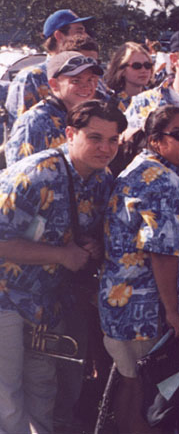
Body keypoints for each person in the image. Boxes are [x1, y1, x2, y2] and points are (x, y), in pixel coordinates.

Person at [0, 100, 122, 434]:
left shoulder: (101, 179)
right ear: (70, 133)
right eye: (95, 137)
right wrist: (60, 255)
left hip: (47, 303)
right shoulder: (32, 176)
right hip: (5, 300)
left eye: (113, 140)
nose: (105, 148)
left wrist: (92, 246)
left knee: (45, 394)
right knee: (6, 399)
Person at [99, 105, 179, 434]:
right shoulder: (164, 183)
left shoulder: (141, 169)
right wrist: (172, 310)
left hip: (126, 306)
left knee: (132, 384)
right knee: (148, 396)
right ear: (156, 141)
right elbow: (161, 251)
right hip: (146, 311)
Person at [5, 52, 103, 166]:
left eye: (90, 80)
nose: (86, 86)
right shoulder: (34, 122)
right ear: (54, 85)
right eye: (76, 81)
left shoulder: (90, 118)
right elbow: (18, 176)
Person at [5, 9, 92, 126]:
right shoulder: (31, 78)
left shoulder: (90, 74)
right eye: (79, 31)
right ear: (59, 36)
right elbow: (17, 127)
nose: (85, 36)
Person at [103, 42, 154, 113]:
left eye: (147, 65)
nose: (143, 70)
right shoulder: (110, 104)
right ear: (122, 70)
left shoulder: (156, 99)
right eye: (136, 66)